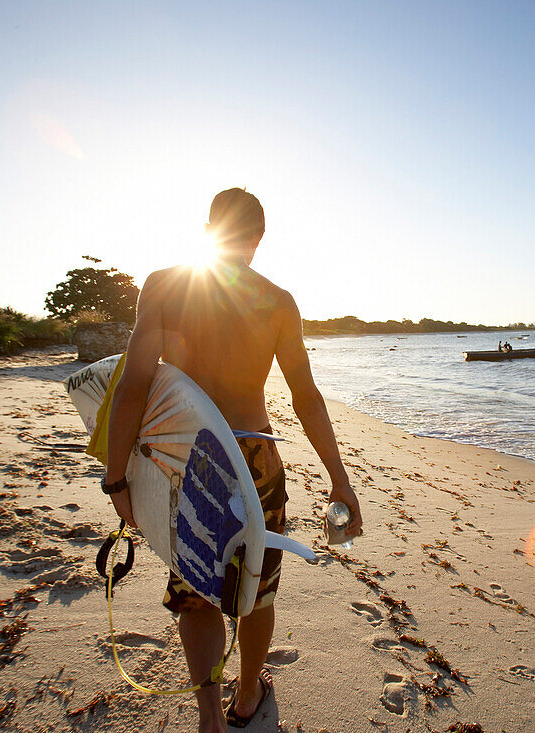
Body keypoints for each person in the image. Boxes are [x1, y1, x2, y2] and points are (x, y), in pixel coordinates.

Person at [102, 188, 363, 731]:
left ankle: (209, 719)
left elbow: (133, 385)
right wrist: (339, 479)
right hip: (253, 460)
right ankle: (247, 697)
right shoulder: (278, 301)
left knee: (196, 589)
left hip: (187, 458)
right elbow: (306, 397)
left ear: (208, 227)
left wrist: (117, 477)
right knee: (256, 589)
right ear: (258, 239)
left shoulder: (166, 285)